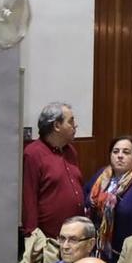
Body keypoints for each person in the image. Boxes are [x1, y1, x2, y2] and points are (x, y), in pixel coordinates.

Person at [85, 134, 132, 258]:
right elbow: (85, 199)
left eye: (126, 152)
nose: (120, 156)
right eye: (115, 151)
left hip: (127, 253)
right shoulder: (101, 176)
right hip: (97, 249)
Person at [24, 101, 84, 240]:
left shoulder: (71, 151)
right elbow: (29, 197)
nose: (75, 125)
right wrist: (32, 235)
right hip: (48, 238)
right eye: (71, 121)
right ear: (57, 126)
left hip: (75, 234)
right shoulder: (33, 153)